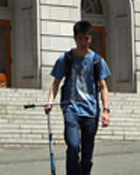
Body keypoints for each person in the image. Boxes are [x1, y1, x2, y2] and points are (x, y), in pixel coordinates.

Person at [46, 19, 111, 175]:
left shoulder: (97, 61)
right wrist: (50, 102)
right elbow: (56, 83)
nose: (83, 42)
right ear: (75, 38)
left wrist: (106, 110)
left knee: (87, 155)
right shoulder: (66, 59)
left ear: (90, 38)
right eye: (80, 38)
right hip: (71, 108)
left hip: (91, 111)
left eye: (86, 38)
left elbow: (103, 86)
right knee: (73, 146)